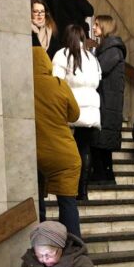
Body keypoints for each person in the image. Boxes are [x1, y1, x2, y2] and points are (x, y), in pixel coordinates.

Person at [33, 46, 83, 239]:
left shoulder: (24, 85)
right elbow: (75, 114)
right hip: (64, 155)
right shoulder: (59, 84)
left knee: (37, 204)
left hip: (36, 153)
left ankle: (40, 244)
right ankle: (74, 248)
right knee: (67, 202)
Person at [52, 23, 102, 201]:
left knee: (68, 150)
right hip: (91, 110)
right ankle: (83, 191)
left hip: (71, 108)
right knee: (85, 149)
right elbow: (98, 80)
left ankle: (68, 189)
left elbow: (56, 83)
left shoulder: (63, 54)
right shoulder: (92, 58)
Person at [89, 15, 126, 187]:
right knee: (101, 140)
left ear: (105, 27)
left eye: (96, 25)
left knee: (101, 140)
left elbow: (99, 70)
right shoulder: (106, 48)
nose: (94, 28)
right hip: (105, 101)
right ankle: (103, 175)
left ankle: (103, 176)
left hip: (107, 103)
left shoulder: (112, 50)